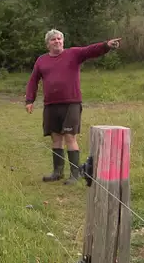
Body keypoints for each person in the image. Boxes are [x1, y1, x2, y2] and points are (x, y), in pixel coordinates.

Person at [25, 29, 121, 184]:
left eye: (59, 39)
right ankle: (57, 172)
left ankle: (75, 174)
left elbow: (90, 50)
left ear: (63, 41)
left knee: (70, 137)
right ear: (48, 43)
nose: (57, 41)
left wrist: (106, 45)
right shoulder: (41, 60)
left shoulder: (73, 54)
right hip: (51, 105)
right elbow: (33, 80)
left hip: (71, 103)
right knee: (55, 137)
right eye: (53, 39)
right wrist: (30, 100)